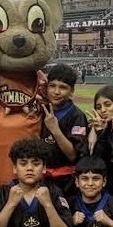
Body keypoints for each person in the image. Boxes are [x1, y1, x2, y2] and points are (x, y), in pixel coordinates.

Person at [41, 63, 89, 197]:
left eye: (63, 87)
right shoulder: (40, 111)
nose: (56, 92)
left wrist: (55, 129)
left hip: (66, 183)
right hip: (41, 179)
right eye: (52, 86)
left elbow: (73, 155)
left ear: (71, 91)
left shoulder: (77, 116)